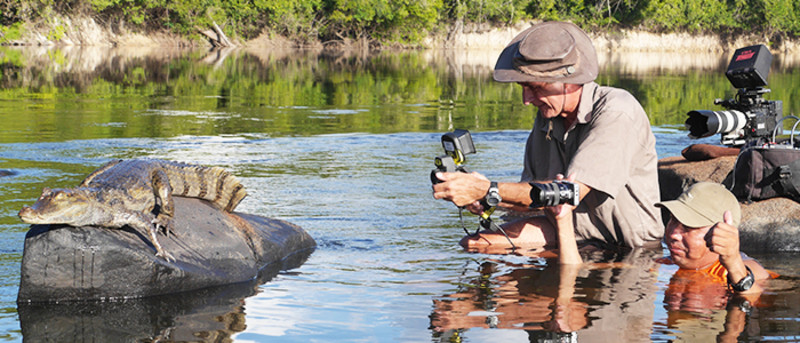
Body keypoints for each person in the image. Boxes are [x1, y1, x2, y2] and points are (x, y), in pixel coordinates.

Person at [432, 21, 663, 250]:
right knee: (477, 244)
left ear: (568, 82)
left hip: (628, 245)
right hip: (569, 227)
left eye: (535, 87)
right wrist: (489, 198)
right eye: (523, 88)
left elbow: (569, 194)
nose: (526, 100)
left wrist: (488, 189)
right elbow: (534, 200)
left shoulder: (617, 110)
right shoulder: (548, 115)